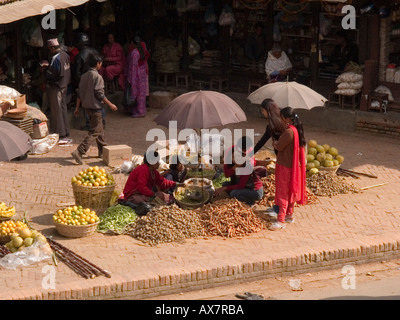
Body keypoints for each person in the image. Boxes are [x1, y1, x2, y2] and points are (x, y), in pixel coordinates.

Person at [71, 54, 118, 165]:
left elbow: (79, 94)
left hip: (87, 108)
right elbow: (100, 94)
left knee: (99, 130)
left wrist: (77, 108)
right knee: (95, 131)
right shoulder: (97, 77)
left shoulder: (83, 76)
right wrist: (110, 104)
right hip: (95, 108)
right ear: (98, 64)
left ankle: (102, 151)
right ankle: (79, 151)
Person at [268, 107, 307, 231]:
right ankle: (289, 214)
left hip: (285, 166)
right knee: (290, 191)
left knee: (282, 192)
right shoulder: (295, 130)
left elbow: (279, 146)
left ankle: (281, 220)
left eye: (281, 118)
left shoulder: (289, 132)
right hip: (292, 166)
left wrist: (275, 143)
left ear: (285, 119)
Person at [254, 99, 286, 215]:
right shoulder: (277, 122)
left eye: (262, 110)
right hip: (281, 157)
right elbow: (262, 141)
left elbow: (262, 141)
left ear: (268, 110)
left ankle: (280, 211)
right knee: (280, 184)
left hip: (284, 159)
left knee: (282, 185)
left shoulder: (275, 125)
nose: (262, 113)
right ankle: (277, 207)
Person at [213, 136, 264, 207]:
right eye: (234, 157)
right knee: (225, 184)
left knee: (234, 193)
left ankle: (250, 202)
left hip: (254, 191)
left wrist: (224, 189)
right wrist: (234, 168)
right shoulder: (231, 159)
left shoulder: (247, 166)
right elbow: (227, 175)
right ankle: (241, 196)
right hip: (244, 186)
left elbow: (241, 185)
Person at [45, 38, 71, 140]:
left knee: (57, 109)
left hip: (57, 86)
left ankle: (60, 132)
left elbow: (53, 74)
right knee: (63, 107)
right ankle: (66, 129)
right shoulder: (65, 55)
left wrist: (45, 70)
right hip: (65, 84)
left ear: (52, 48)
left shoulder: (56, 58)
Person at [124, 36, 150, 118]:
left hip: (136, 76)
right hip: (142, 75)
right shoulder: (142, 50)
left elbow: (133, 67)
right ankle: (141, 110)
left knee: (134, 93)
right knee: (141, 94)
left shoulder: (134, 53)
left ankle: (137, 111)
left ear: (132, 43)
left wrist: (130, 78)